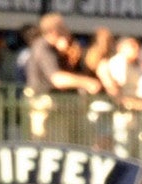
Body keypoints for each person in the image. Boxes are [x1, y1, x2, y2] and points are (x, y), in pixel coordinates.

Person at [24, 12, 102, 141]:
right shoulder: (43, 48)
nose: (67, 31)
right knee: (50, 143)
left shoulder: (56, 49)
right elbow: (57, 79)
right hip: (45, 101)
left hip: (58, 104)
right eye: (63, 28)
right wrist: (87, 82)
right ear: (54, 31)